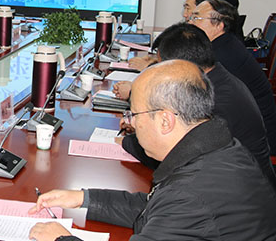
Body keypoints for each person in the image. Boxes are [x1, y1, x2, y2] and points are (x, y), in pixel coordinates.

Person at [30, 60, 276, 241]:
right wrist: (85, 198)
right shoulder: (219, 150)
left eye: (134, 114)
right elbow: (158, 207)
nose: (131, 123)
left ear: (165, 120)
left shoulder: (193, 196)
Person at [117, 23, 275, 187]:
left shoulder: (213, 102)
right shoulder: (215, 80)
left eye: (162, 66)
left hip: (240, 190)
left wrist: (127, 142)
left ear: (180, 66)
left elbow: (175, 159)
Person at [189, 0, 276, 154]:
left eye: (197, 18)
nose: (190, 22)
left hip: (253, 145)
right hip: (242, 130)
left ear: (219, 25)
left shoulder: (221, 56)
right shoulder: (224, 44)